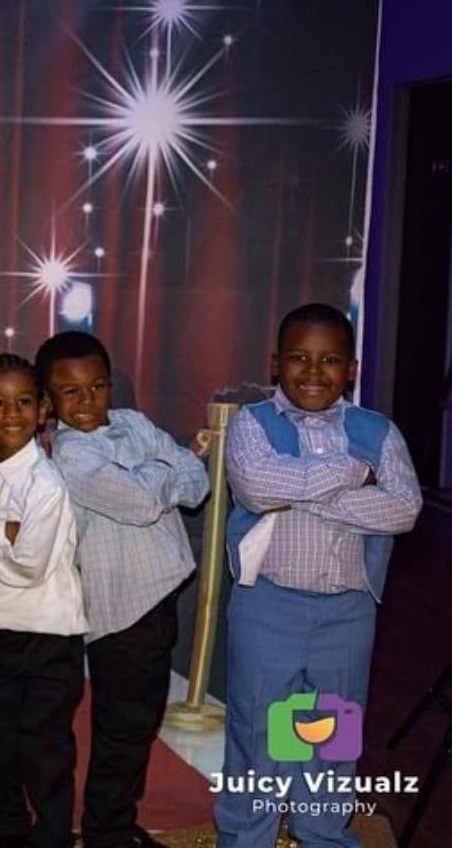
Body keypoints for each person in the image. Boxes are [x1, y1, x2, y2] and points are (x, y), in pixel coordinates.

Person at [214, 303, 421, 848]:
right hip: (268, 605)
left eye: (330, 360)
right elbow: (257, 487)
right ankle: (246, 837)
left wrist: (303, 496)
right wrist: (353, 474)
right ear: (275, 363)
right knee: (258, 730)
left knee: (330, 733)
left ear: (351, 368)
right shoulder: (254, 423)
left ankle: (322, 832)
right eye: (299, 358)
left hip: (347, 613)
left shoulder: (377, 431)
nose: (313, 371)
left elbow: (403, 509)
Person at [36, 330, 210, 848]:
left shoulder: (132, 423)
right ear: (47, 401)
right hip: (120, 613)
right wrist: (167, 466)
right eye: (70, 392)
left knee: (141, 722)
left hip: (161, 599)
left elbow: (197, 483)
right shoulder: (69, 455)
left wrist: (161, 472)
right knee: (122, 726)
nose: (86, 401)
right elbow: (140, 502)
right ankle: (106, 832)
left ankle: (116, 824)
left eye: (97, 386)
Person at [0, 354, 87, 848]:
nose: (11, 414)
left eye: (24, 402)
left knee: (45, 749)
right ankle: (7, 828)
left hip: (47, 637)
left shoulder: (45, 485)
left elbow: (27, 568)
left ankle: (52, 837)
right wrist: (1, 533)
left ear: (43, 411)